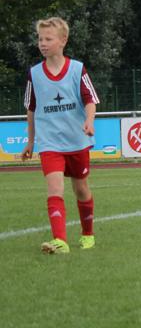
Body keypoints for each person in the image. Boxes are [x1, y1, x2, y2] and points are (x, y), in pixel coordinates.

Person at [21, 17, 99, 255]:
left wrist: (89, 120)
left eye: (48, 39)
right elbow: (31, 109)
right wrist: (31, 141)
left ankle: (87, 234)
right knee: (54, 189)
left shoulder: (77, 69)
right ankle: (60, 241)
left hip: (77, 141)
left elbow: (90, 99)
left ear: (63, 40)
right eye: (40, 39)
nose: (42, 43)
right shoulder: (34, 74)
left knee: (81, 189)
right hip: (50, 143)